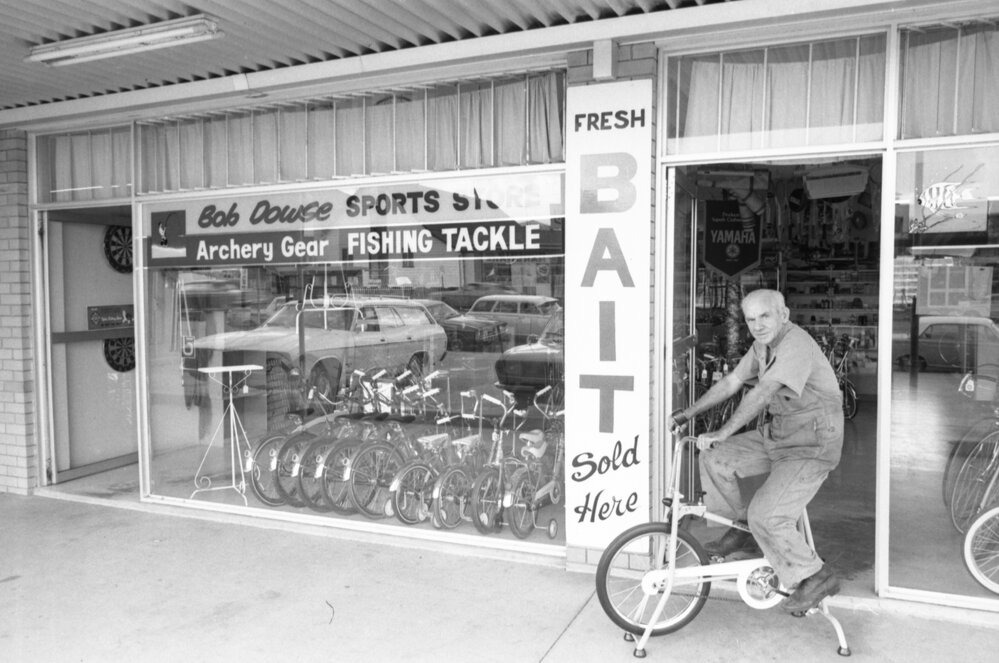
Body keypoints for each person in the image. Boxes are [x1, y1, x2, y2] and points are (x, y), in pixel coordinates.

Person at [671, 288, 844, 613]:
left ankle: (816, 576)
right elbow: (732, 382)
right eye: (751, 319)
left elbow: (763, 392)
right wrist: (687, 414)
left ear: (784, 315)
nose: (758, 324)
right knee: (714, 457)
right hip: (779, 434)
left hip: (812, 442)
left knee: (767, 514)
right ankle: (742, 531)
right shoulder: (763, 346)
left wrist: (723, 430)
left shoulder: (796, 343)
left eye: (765, 316)